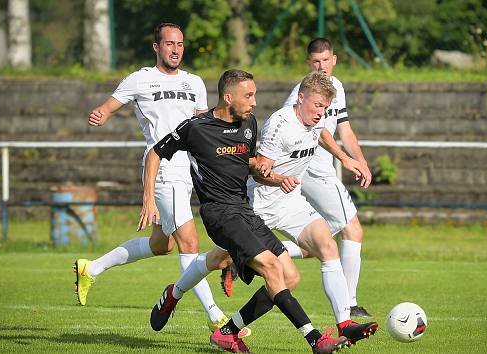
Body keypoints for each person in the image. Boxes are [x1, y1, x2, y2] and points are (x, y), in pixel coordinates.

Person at [140, 69, 349, 353]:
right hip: (218, 214)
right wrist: (148, 198)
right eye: (248, 96)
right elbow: (155, 152)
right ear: (228, 97)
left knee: (290, 276)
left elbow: (250, 166)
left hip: (245, 211)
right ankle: (315, 340)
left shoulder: (249, 123)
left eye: (255, 95)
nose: (254, 102)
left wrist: (275, 177)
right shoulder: (196, 128)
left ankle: (222, 328)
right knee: (272, 267)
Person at [72, 22, 247, 336]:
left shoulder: (194, 82)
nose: (176, 49)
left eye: (180, 44)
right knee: (190, 243)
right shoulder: (140, 79)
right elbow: (109, 106)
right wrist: (101, 113)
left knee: (160, 244)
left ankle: (91, 268)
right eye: (169, 44)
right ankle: (217, 317)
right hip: (163, 168)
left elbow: (202, 122)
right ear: (156, 47)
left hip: (191, 169)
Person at [246, 71, 377, 344]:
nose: (321, 113)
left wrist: (347, 159)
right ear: (300, 97)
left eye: (326, 108)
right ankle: (176, 292)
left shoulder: (315, 120)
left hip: (291, 202)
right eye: (318, 105)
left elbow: (323, 134)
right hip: (260, 206)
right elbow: (259, 172)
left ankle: (345, 323)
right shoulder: (280, 124)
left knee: (328, 247)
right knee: (217, 259)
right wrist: (279, 179)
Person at [281, 37, 373, 318]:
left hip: (313, 168)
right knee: (352, 230)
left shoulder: (337, 88)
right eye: (315, 62)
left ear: (334, 60)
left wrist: (361, 160)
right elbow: (320, 133)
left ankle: (245, 256)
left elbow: (344, 130)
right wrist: (345, 159)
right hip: (310, 168)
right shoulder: (304, 91)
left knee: (319, 241)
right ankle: (350, 304)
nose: (321, 67)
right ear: (308, 63)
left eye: (325, 61)